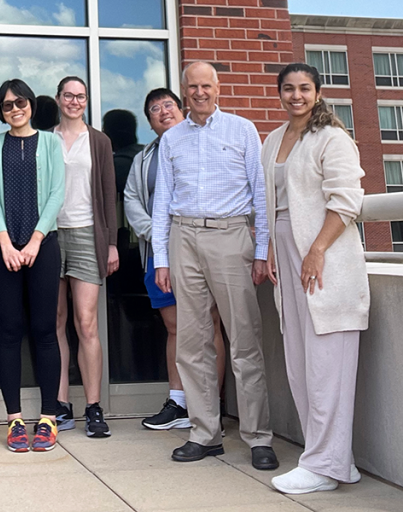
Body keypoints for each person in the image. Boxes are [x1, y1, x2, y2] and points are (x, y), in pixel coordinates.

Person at [151, 62, 278, 470]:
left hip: (231, 236)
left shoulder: (242, 130)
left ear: (218, 88)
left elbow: (261, 192)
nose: (200, 92)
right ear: (184, 91)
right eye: (193, 86)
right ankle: (205, 434)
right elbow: (162, 200)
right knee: (192, 343)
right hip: (183, 237)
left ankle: (258, 437)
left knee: (244, 340)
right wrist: (161, 258)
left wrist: (262, 251)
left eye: (206, 85)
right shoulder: (172, 138)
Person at [264, 63, 368, 494]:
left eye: (304, 88)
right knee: (300, 364)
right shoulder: (273, 139)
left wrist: (317, 249)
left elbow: (347, 200)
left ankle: (325, 466)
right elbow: (272, 202)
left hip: (325, 258)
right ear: (280, 93)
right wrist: (271, 247)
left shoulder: (332, 137)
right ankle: (332, 458)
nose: (296, 96)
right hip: (287, 255)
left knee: (327, 363)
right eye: (288, 88)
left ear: (318, 92)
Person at [124, 88, 226, 431]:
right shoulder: (144, 158)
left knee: (208, 323)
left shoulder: (202, 143)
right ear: (149, 122)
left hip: (200, 248)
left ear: (181, 110)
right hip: (159, 254)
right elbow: (131, 200)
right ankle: (179, 403)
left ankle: (211, 404)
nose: (163, 111)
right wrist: (156, 234)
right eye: (154, 109)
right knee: (174, 327)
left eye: (168, 104)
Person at [0, 79, 66, 452]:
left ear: (31, 104)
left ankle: (48, 417)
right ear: (1, 111)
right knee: (9, 332)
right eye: (7, 105)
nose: (14, 109)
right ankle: (14, 419)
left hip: (42, 247)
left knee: (45, 331)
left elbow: (56, 194)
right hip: (3, 248)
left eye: (20, 103)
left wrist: (34, 241)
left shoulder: (50, 142)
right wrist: (5, 243)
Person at [53, 76, 119, 437]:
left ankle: (94, 407)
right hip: (50, 235)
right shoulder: (45, 138)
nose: (74, 101)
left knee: (87, 323)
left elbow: (109, 193)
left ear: (87, 100)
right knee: (55, 321)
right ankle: (60, 404)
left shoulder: (99, 141)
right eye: (68, 95)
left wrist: (111, 243)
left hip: (86, 235)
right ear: (58, 98)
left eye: (80, 96)